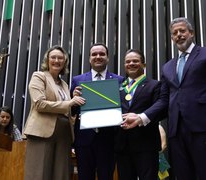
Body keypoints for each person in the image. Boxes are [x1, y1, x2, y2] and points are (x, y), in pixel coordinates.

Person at [122, 17, 206, 180]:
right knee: (182, 174)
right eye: (175, 33)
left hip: (202, 127)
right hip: (176, 130)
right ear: (172, 38)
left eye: (182, 31)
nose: (179, 35)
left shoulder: (204, 55)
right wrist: (141, 117)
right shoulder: (167, 67)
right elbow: (163, 100)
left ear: (192, 33)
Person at [23, 45, 85, 180]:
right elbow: (40, 104)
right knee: (39, 173)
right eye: (53, 57)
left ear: (64, 62)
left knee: (61, 174)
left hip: (64, 133)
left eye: (60, 58)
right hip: (42, 131)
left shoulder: (64, 85)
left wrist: (72, 98)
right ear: (47, 60)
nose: (57, 60)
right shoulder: (39, 76)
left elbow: (65, 107)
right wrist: (70, 102)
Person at [71, 42, 124, 180]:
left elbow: (124, 108)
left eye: (102, 54)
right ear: (89, 58)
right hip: (84, 139)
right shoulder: (77, 80)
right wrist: (74, 99)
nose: (98, 56)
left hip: (109, 140)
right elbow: (72, 111)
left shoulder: (119, 80)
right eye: (94, 54)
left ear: (107, 58)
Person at [115, 49, 161, 180]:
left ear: (144, 65)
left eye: (135, 61)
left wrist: (140, 117)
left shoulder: (155, 85)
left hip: (146, 144)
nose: (131, 63)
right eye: (128, 61)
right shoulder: (117, 86)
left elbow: (159, 111)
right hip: (122, 145)